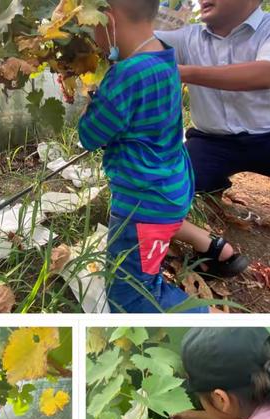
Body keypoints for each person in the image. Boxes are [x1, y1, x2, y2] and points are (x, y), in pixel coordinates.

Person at [155, 0, 270, 277]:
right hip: (211, 143)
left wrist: (177, 72)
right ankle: (211, 230)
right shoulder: (185, 36)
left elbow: (266, 73)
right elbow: (128, 39)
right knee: (160, 188)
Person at [78, 0, 210, 313]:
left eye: (88, 23)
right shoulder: (163, 54)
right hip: (170, 187)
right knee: (149, 256)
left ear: (107, 19)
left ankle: (210, 318)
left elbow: (90, 135)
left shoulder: (126, 75)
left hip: (142, 206)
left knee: (133, 295)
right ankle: (216, 249)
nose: (88, 33)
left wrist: (89, 102)